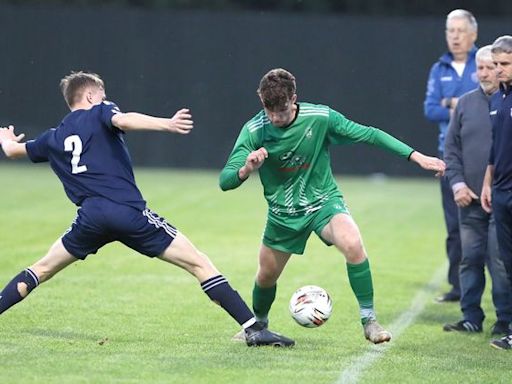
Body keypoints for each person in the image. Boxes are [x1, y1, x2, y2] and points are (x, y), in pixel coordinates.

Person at [0, 71, 294, 347]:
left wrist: (6, 140)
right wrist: (166, 123)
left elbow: (13, 151)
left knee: (41, 269)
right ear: (90, 97)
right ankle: (254, 329)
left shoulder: (54, 137)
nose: (105, 101)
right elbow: (123, 120)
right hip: (127, 213)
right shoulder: (100, 111)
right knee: (199, 263)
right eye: (101, 96)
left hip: (90, 219)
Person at [219, 68, 446, 344]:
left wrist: (416, 156)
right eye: (271, 112)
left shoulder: (321, 117)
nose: (276, 118)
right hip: (283, 215)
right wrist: (246, 169)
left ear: (294, 98)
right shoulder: (254, 130)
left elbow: (370, 135)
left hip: (323, 202)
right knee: (266, 275)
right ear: (262, 103)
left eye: (282, 111)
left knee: (353, 243)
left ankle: (369, 321)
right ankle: (257, 327)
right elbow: (225, 181)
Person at [443, 45, 512, 335]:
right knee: (469, 259)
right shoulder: (465, 104)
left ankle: (505, 319)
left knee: (499, 261)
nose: (487, 72)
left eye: (493, 66)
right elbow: (451, 150)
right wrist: (457, 184)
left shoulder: (504, 102)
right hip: (469, 199)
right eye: (481, 68)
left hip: (498, 196)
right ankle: (471, 317)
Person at [424, 9, 479, 303]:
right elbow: (430, 109)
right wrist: (456, 103)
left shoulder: (484, 63)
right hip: (449, 156)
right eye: (450, 31)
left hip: (483, 157)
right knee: (454, 225)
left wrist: (453, 103)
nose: (455, 37)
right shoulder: (439, 68)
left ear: (473, 35)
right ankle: (458, 286)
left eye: (460, 31)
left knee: (490, 225)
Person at [481, 35, 512, 350]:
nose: (499, 70)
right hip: (501, 192)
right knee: (508, 262)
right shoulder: (497, 99)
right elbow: (495, 148)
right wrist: (488, 183)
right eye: (496, 64)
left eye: (505, 64)